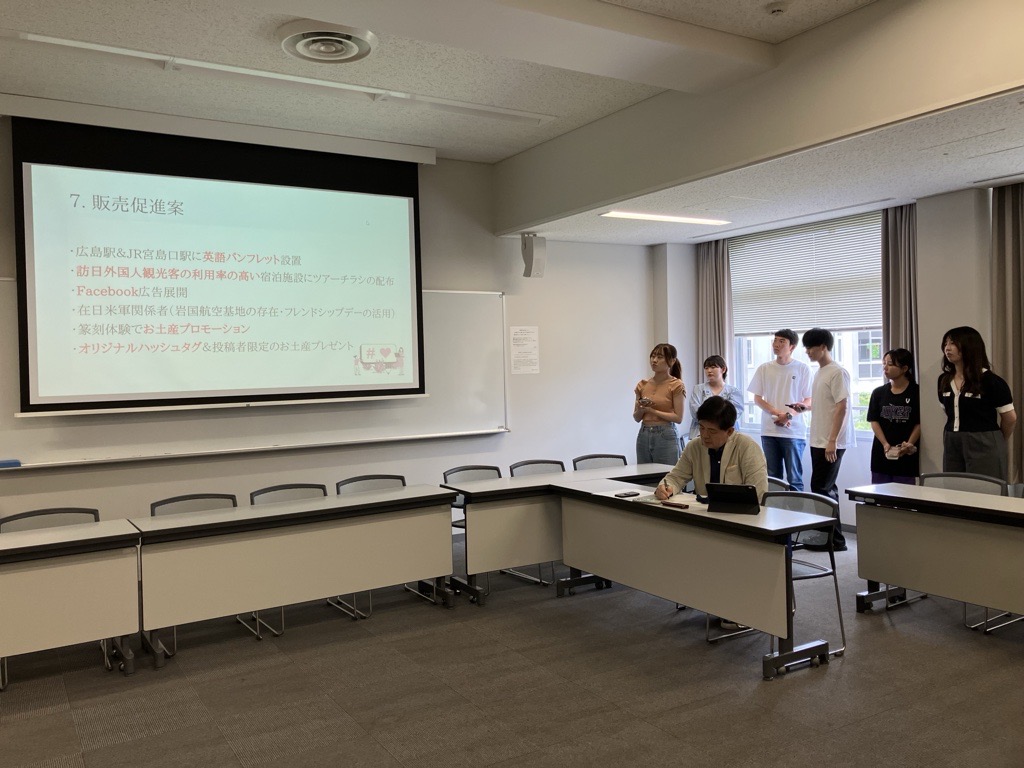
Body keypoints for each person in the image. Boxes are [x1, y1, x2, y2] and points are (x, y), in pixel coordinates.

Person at [791, 328, 854, 551]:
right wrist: (805, 407)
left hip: (830, 441)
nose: (807, 351)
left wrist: (832, 440)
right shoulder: (820, 371)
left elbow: (842, 407)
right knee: (823, 488)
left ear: (823, 347)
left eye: (811, 347)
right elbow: (826, 404)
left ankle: (834, 540)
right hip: (819, 439)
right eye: (806, 348)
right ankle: (829, 536)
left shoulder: (837, 372)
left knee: (822, 488)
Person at [654, 396, 768, 503]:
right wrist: (666, 487)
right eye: (702, 428)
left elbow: (758, 493)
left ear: (729, 431)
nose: (705, 435)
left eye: (712, 431)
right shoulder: (694, 446)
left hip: (739, 512)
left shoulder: (747, 447)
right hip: (703, 511)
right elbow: (676, 477)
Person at [938, 326, 1016, 480]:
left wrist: (996, 441)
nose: (947, 348)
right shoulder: (944, 380)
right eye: (945, 343)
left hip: (983, 440)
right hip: (952, 440)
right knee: (954, 486)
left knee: (984, 488)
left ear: (969, 346)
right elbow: (948, 411)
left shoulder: (990, 381)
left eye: (953, 343)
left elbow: (1010, 418)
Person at [747, 329, 812, 491]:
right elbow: (757, 398)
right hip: (769, 430)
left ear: (792, 347)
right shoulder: (764, 368)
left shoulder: (802, 368)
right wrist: (778, 414)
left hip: (794, 432)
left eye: (782, 341)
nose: (776, 344)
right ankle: (773, 508)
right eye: (775, 340)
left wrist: (789, 415)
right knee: (772, 478)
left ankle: (796, 508)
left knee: (794, 479)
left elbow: (809, 399)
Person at [867, 348, 920, 484]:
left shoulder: (917, 392)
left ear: (904, 368)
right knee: (880, 493)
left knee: (905, 494)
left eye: (890, 364)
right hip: (882, 454)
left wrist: (909, 444)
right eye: (884, 363)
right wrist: (885, 444)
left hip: (906, 455)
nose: (885, 368)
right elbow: (874, 420)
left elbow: (919, 423)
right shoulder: (878, 393)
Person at [633, 342, 685, 464]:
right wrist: (641, 409)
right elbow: (636, 417)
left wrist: (652, 410)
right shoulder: (642, 384)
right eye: (653, 356)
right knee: (644, 474)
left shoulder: (676, 385)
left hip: (665, 434)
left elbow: (678, 418)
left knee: (666, 474)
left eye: (660, 357)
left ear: (672, 361)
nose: (654, 360)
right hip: (644, 433)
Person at [687, 355, 745, 441]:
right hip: (701, 435)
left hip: (726, 435)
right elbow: (695, 412)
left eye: (713, 367)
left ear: (723, 369)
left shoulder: (733, 391)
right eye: (706, 368)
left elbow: (734, 414)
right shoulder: (698, 389)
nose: (709, 371)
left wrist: (712, 418)